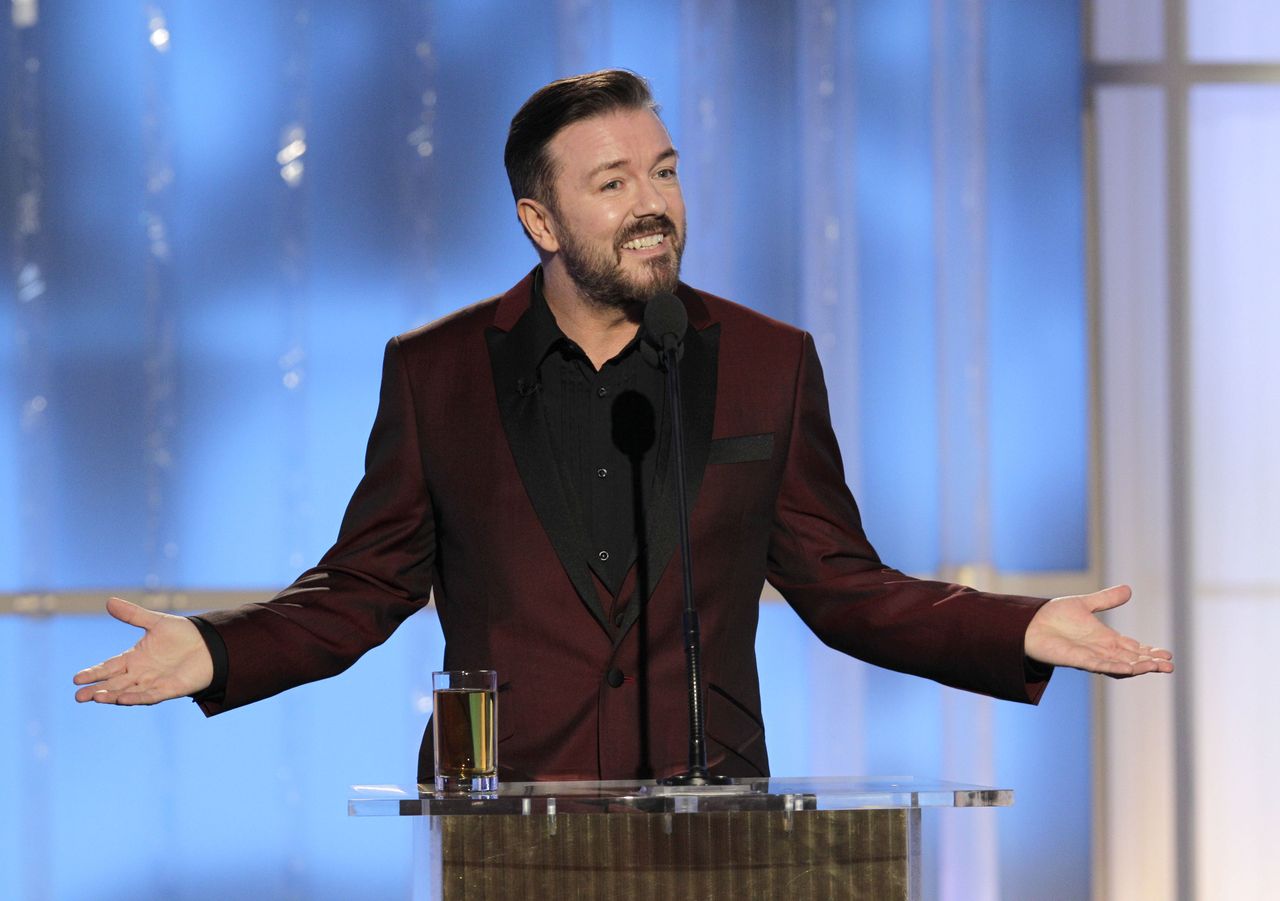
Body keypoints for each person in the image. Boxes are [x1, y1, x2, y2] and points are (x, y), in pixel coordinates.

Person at [73, 70, 1172, 782]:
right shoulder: (436, 373)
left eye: (663, 170)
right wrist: (217, 649)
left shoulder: (765, 363)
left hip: (711, 822)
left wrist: (1014, 627)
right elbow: (364, 586)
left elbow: (841, 584)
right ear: (539, 220)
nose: (652, 202)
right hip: (508, 818)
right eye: (612, 182)